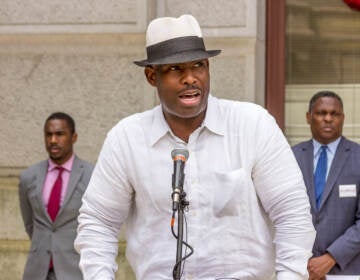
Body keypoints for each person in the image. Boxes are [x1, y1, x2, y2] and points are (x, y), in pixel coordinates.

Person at [75, 14, 315, 280]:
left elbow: (292, 212)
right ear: (151, 76)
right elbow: (98, 223)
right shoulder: (127, 138)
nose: (190, 78)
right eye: (176, 69)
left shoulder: (253, 125)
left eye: (198, 66)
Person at [292, 91, 360, 279]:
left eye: (334, 114)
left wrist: (331, 258)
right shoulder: (291, 157)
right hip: (298, 269)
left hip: (347, 271)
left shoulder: (358, 157)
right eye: (321, 113)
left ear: (343, 118)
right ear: (308, 117)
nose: (328, 119)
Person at [18, 112, 94, 280]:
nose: (53, 140)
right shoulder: (28, 177)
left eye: (59, 134)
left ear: (73, 137)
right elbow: (30, 224)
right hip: (37, 271)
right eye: (48, 134)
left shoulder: (91, 175)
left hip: (75, 270)